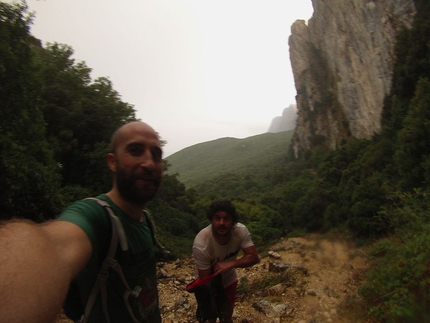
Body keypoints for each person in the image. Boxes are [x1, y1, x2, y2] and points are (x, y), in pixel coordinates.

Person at [0, 121, 164, 323]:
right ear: (112, 162)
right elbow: (51, 246)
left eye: (156, 154)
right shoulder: (95, 216)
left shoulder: (145, 220)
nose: (148, 163)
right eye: (136, 150)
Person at [192, 199, 260, 323]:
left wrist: (231, 264)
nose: (221, 223)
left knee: (227, 316)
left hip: (229, 280)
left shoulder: (240, 231)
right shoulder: (202, 243)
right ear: (211, 219)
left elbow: (254, 257)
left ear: (233, 220)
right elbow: (205, 280)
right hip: (206, 283)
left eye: (226, 219)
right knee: (210, 317)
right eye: (217, 218)